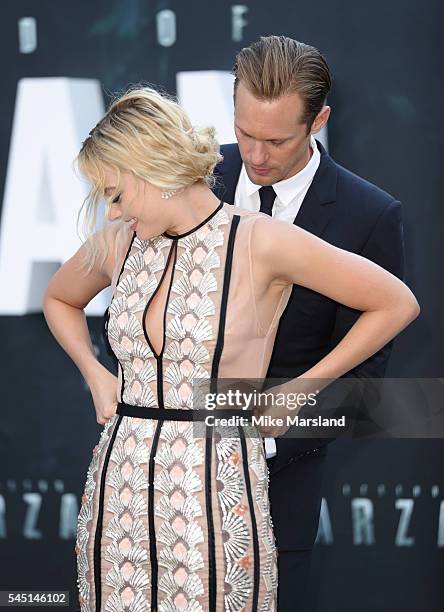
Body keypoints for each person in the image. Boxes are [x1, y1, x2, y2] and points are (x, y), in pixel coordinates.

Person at [42, 85, 418, 612]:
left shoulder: (259, 240)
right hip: (119, 485)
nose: (113, 210)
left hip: (214, 485)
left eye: (117, 193)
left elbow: (395, 303)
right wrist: (95, 372)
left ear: (152, 170)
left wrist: (298, 392)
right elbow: (59, 298)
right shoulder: (120, 241)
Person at [212, 35, 407, 610]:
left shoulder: (369, 215)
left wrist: (267, 433)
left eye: (277, 139)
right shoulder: (192, 181)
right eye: (245, 132)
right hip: (162, 469)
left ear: (318, 120)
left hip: (279, 485)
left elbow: (365, 378)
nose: (256, 154)